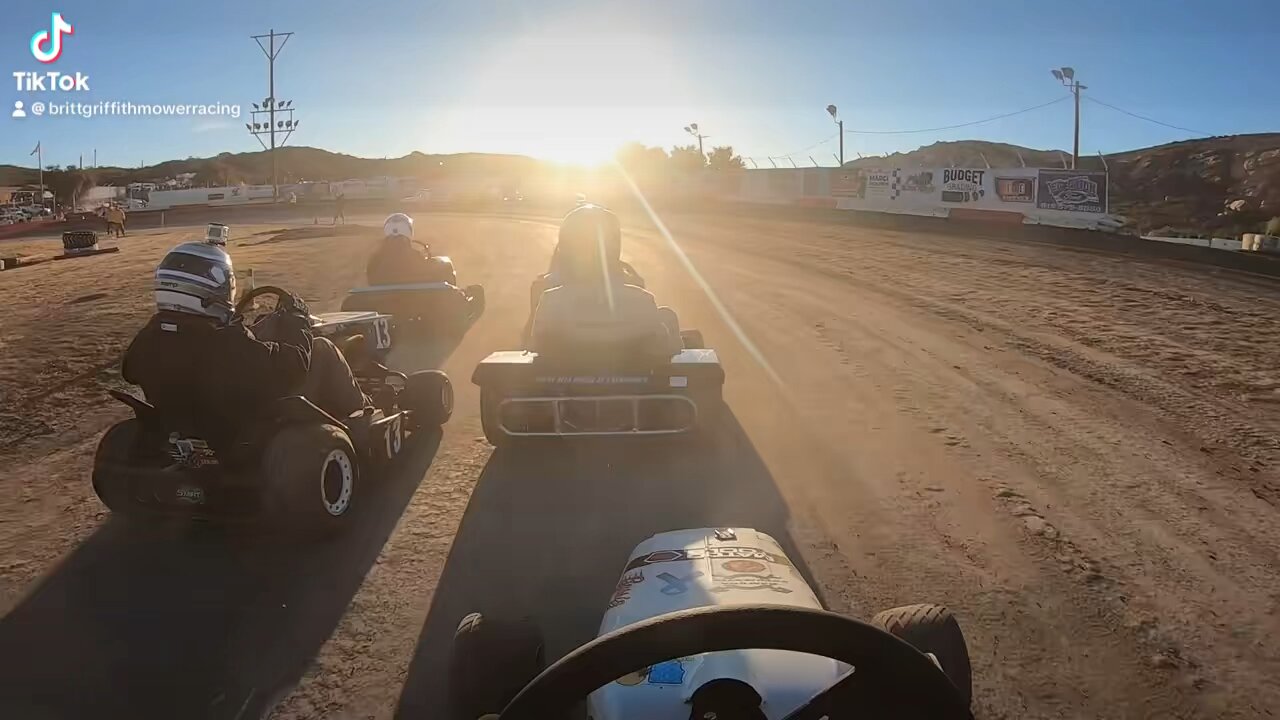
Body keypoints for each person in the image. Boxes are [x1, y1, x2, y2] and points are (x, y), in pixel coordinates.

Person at [122, 241, 366, 448]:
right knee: (322, 347)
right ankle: (363, 415)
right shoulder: (225, 343)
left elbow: (129, 370)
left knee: (262, 331)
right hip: (249, 428)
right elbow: (295, 365)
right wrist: (298, 322)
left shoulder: (153, 334)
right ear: (210, 290)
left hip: (187, 421)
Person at [526, 203, 681, 357]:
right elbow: (667, 350)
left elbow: (533, 347)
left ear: (565, 248)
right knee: (668, 316)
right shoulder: (642, 301)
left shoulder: (550, 301)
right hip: (633, 377)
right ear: (615, 247)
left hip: (563, 378)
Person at [366, 212, 438, 286]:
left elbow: (371, 280)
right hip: (415, 296)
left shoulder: (375, 260)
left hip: (384, 297)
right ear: (409, 232)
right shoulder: (417, 257)